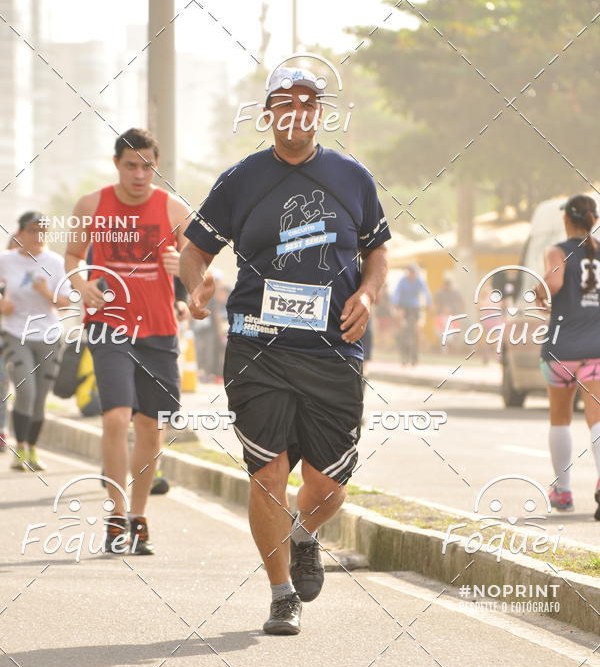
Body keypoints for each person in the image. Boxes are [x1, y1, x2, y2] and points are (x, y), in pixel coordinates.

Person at [180, 66, 390, 635]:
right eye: (283, 102)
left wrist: (368, 295)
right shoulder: (240, 180)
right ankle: (280, 596)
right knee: (267, 475)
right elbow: (194, 249)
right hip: (257, 349)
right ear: (267, 112)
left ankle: (303, 536)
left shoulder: (352, 177)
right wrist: (196, 282)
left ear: (319, 112)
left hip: (333, 351)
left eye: (308, 102)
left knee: (328, 489)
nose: (296, 111)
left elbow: (377, 254)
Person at [65, 128, 190, 554]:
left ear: (157, 166)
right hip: (109, 323)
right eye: (131, 165)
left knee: (150, 427)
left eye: (148, 166)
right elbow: (72, 258)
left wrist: (181, 266)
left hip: (158, 329)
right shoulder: (91, 205)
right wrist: (81, 284)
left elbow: (197, 269)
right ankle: (116, 517)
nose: (140, 174)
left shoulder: (173, 209)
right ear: (117, 164)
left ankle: (139, 517)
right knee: (116, 418)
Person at [538, 194, 600, 516]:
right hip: (597, 351)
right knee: (597, 419)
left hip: (561, 350)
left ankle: (562, 492)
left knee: (560, 419)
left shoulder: (558, 251)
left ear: (566, 220)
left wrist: (538, 292)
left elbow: (553, 284)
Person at [0, 211, 71, 470]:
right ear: (19, 234)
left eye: (42, 231)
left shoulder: (55, 261)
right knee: (25, 391)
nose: (38, 236)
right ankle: (20, 450)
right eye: (32, 231)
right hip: (16, 333)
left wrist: (46, 292)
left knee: (40, 396)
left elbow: (66, 303)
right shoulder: (6, 260)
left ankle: (32, 449)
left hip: (49, 335)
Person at [391, 263, 432, 365]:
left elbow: (426, 292)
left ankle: (415, 358)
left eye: (414, 273)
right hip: (403, 308)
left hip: (415, 308)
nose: (411, 275)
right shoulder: (402, 281)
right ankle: (404, 357)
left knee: (416, 332)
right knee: (403, 332)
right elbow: (396, 293)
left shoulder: (419, 281)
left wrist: (429, 303)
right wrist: (395, 304)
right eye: (410, 272)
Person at [433, 272, 464, 353]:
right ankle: (445, 349)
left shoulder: (455, 292)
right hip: (441, 316)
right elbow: (435, 303)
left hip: (453, 316)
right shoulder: (440, 293)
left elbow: (461, 302)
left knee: (454, 334)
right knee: (442, 333)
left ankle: (454, 349)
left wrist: (460, 312)